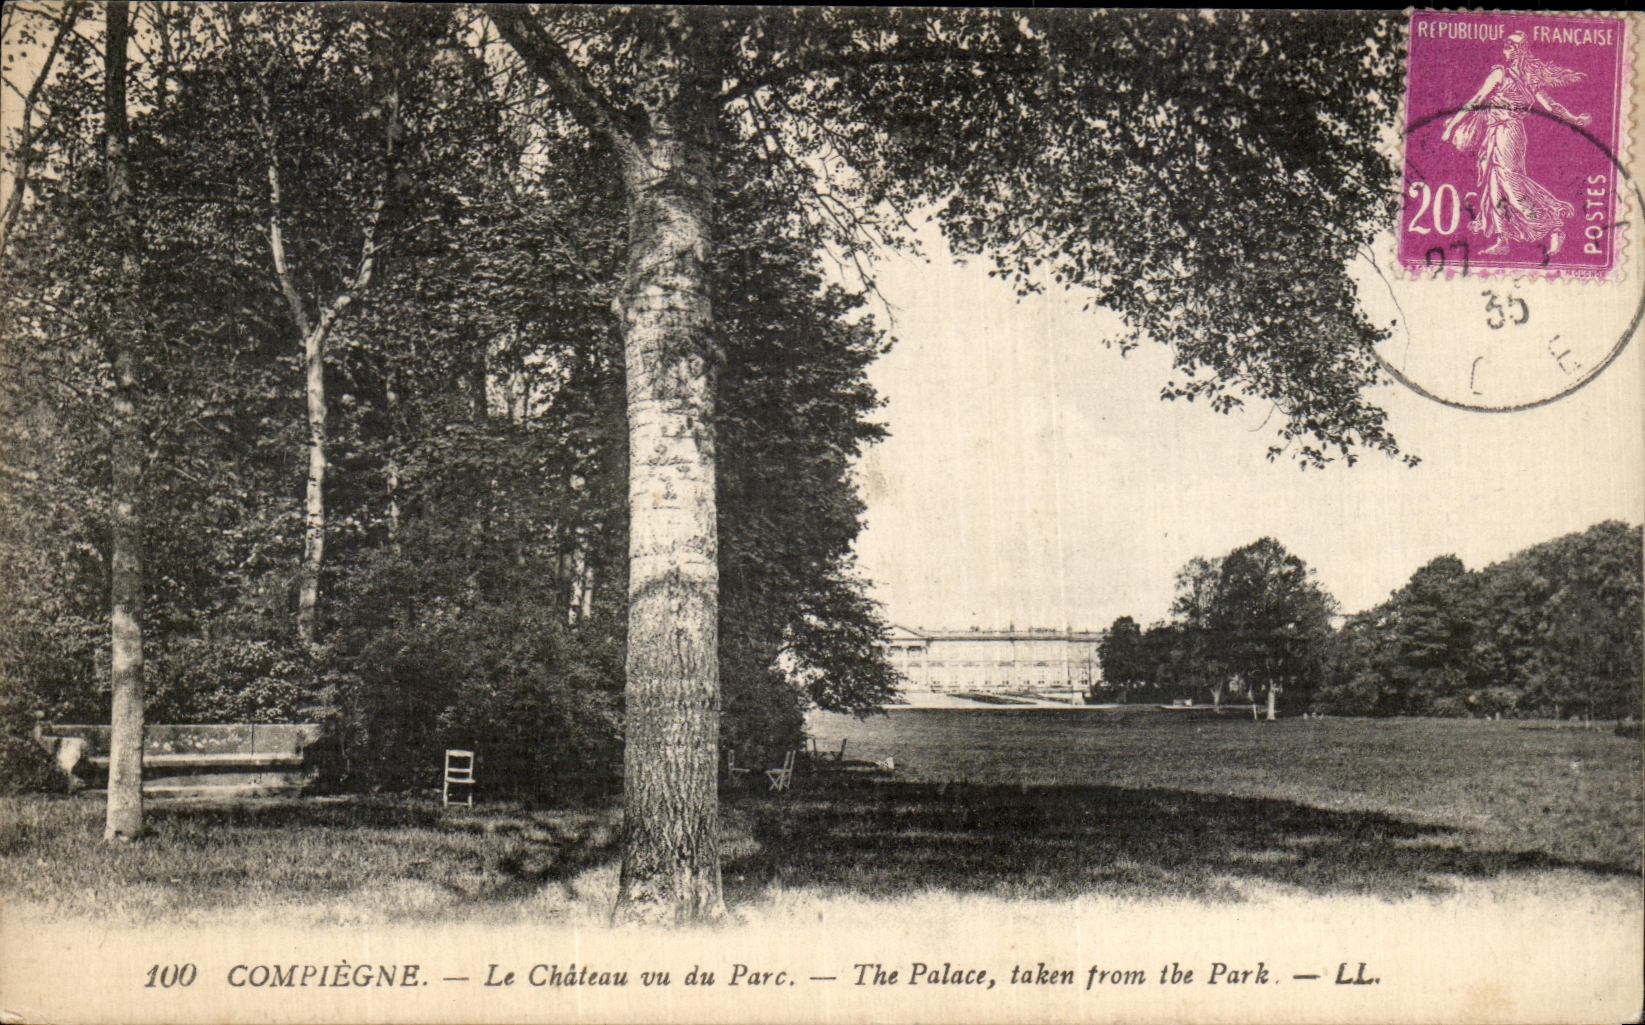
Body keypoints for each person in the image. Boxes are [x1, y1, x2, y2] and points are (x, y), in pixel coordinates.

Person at [1441, 31, 1591, 256]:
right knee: (1494, 184)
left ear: (1519, 50)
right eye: (1505, 46)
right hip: (1495, 132)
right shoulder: (1506, 74)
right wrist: (1574, 118)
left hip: (1508, 132)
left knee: (1511, 185)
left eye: (1509, 47)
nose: (1505, 51)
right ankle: (1503, 240)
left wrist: (1452, 125)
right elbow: (1478, 100)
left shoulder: (1512, 77)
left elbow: (1477, 101)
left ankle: (1552, 227)